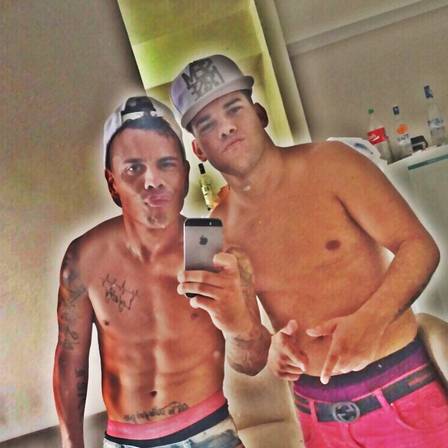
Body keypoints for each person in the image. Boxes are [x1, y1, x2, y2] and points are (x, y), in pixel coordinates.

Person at [170, 55, 448, 447]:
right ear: (198, 148)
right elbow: (249, 359)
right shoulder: (219, 230)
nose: (226, 127)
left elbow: (419, 246)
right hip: (317, 417)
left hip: (402, 394)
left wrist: (369, 321)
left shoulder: (332, 164)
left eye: (234, 108)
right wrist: (266, 346)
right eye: (207, 123)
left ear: (260, 113)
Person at [52, 96, 271, 448]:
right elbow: (69, 358)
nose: (152, 181)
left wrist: (239, 326)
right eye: (134, 168)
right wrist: (71, 444)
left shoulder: (218, 250)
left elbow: (253, 362)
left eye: (166, 164)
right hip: (125, 441)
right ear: (112, 182)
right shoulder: (85, 257)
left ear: (184, 173)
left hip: (212, 433)